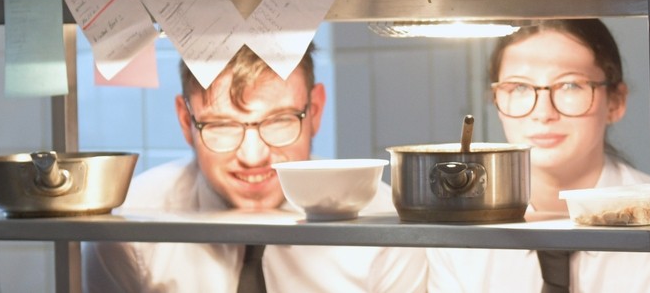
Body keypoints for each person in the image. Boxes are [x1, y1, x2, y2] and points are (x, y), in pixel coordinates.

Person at [81, 46, 428, 293]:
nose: (253, 155)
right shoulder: (129, 228)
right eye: (222, 125)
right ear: (186, 121)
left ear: (316, 110)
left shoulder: (384, 226)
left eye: (279, 121)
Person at [426, 19, 650, 291]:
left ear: (616, 102)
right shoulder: (458, 234)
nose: (543, 113)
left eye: (570, 85)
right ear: (496, 100)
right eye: (519, 88)